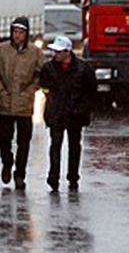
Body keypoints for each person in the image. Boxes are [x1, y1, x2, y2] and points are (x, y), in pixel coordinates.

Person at [0, 16, 45, 190]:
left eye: (20, 32)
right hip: (5, 103)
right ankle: (7, 161)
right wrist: (0, 91)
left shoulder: (35, 52)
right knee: (3, 138)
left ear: (26, 34)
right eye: (15, 32)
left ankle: (20, 174)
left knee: (24, 141)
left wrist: (31, 90)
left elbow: (40, 74)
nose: (17, 36)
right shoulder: (1, 50)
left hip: (24, 105)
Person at [40, 35, 97, 192]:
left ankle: (73, 178)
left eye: (59, 52)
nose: (55, 55)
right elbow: (44, 87)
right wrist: (51, 101)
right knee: (55, 146)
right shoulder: (48, 68)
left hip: (75, 115)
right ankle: (53, 177)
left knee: (74, 146)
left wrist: (85, 109)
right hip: (56, 114)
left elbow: (91, 91)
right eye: (54, 52)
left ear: (68, 52)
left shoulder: (83, 69)